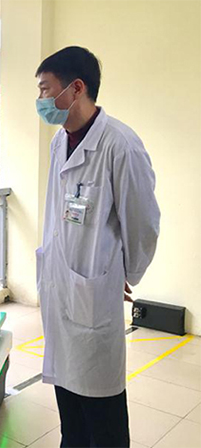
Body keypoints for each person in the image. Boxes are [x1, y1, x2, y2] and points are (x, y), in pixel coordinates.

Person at [34, 46, 160, 448]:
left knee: (103, 417)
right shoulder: (59, 142)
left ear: (76, 88)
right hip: (61, 287)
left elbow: (143, 223)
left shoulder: (120, 144)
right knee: (70, 414)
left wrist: (125, 272)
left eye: (45, 89)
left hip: (91, 294)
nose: (41, 100)